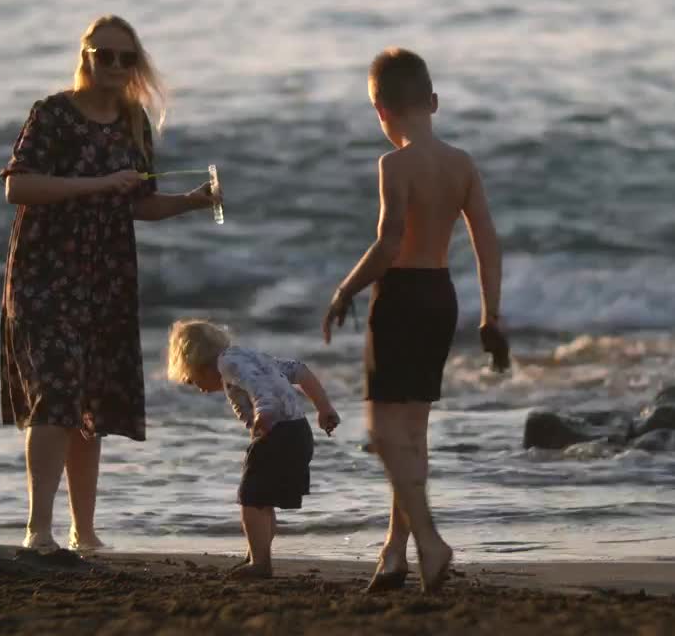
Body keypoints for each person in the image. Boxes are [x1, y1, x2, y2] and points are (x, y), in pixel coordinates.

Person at [0, 14, 218, 551]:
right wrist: (97, 184)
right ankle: (38, 530)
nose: (116, 66)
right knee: (55, 392)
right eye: (106, 55)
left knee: (86, 402)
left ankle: (85, 532)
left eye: (127, 57)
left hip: (105, 276)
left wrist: (190, 204)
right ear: (86, 57)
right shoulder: (51, 113)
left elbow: (137, 204)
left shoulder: (134, 122)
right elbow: (18, 186)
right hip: (44, 273)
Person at [322, 47, 509, 593]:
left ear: (379, 111)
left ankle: (429, 540)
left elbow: (387, 245)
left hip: (400, 296)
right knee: (414, 432)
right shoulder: (462, 164)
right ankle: (394, 552)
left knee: (385, 433)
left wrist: (343, 290)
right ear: (433, 101)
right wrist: (490, 313)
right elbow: (487, 242)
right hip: (442, 296)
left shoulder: (392, 165)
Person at [167, 319, 341, 579]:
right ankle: (257, 555)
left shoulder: (228, 363)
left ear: (197, 361)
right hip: (298, 431)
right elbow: (300, 371)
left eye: (192, 379)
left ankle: (260, 563)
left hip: (276, 433)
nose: (199, 388)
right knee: (263, 499)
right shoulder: (251, 357)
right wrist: (324, 407)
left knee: (251, 498)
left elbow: (260, 390)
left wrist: (264, 412)